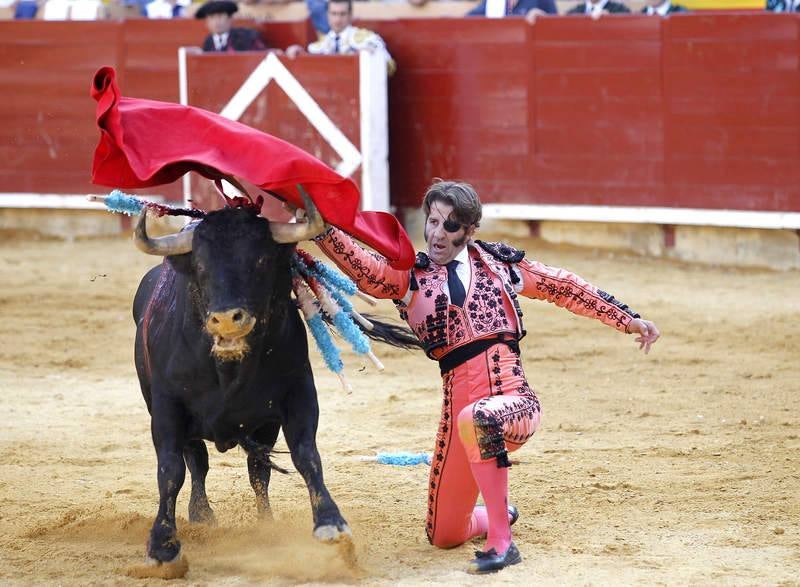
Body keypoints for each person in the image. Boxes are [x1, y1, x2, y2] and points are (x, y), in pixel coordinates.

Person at [311, 180, 660, 574]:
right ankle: (499, 513)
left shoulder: (501, 266)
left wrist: (627, 319)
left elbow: (563, 286)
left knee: (479, 418)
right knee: (444, 534)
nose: (437, 234)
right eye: (433, 222)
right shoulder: (411, 278)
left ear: (470, 230)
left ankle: (501, 542)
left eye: (451, 226)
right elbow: (365, 270)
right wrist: (322, 228)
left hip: (514, 403)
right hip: (458, 414)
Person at [285, 0, 396, 75]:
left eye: (342, 14)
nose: (338, 19)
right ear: (327, 15)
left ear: (350, 15)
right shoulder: (320, 45)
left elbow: (390, 67)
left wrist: (374, 57)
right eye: (334, 14)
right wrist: (300, 53)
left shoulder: (367, 39)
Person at [195, 0, 267, 53]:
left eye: (220, 17)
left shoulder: (248, 37)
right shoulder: (208, 41)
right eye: (211, 17)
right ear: (207, 23)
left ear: (230, 19)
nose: (216, 22)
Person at [467, 0, 557, 24]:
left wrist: (542, 18)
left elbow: (557, 28)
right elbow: (467, 21)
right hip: (499, 58)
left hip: (531, 59)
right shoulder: (493, 1)